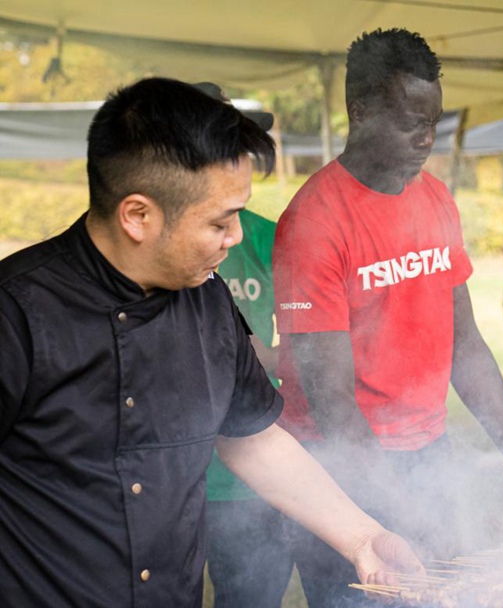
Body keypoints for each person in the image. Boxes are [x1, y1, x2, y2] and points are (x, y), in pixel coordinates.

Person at [0, 77, 422, 608]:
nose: (238, 237)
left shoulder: (208, 297)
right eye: (220, 222)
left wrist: (363, 538)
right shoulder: (17, 311)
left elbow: (252, 437)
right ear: (138, 215)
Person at [273, 28, 503, 607]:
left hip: (428, 450)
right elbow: (330, 398)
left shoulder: (435, 198)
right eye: (410, 123)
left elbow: (466, 346)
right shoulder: (314, 223)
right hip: (340, 468)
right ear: (359, 110)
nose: (426, 140)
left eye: (434, 123)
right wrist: (400, 512)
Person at [192, 81, 294, 608]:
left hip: (251, 466)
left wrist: (263, 361)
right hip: (180, 480)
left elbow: (303, 339)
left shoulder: (262, 237)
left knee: (251, 595)